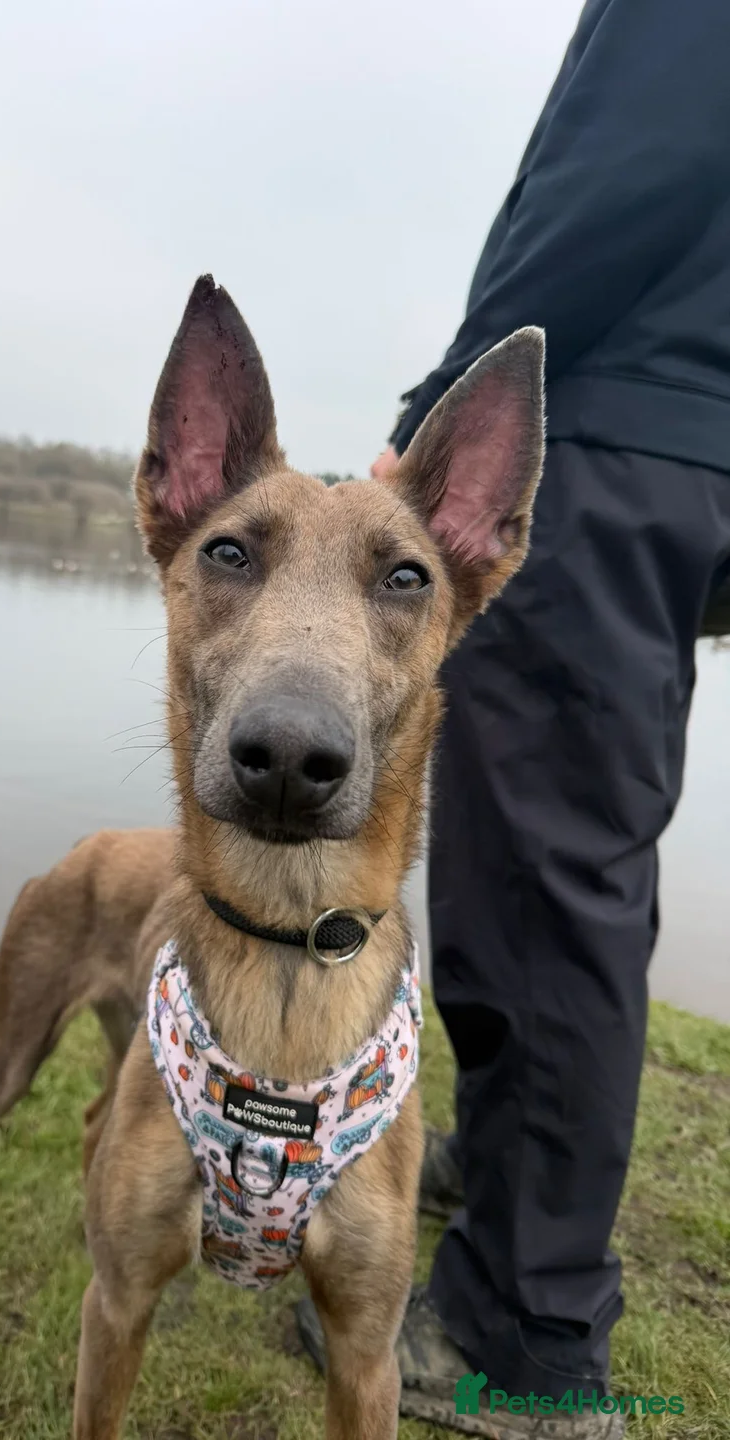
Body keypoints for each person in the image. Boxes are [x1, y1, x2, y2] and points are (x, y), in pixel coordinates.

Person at [297, 1, 730, 1434]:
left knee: (543, 887)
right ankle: (502, 1175)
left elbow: (635, 159)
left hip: (612, 434)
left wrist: (444, 410)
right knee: (571, 858)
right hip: (686, 441)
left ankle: (523, 1337)